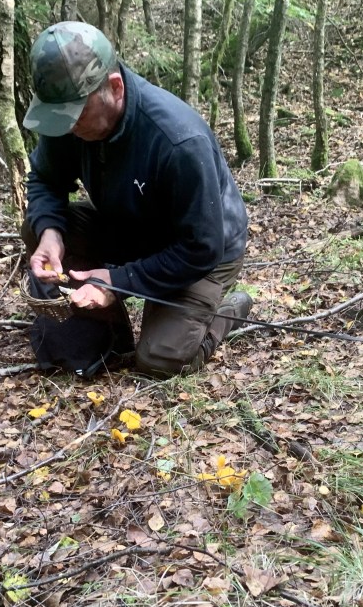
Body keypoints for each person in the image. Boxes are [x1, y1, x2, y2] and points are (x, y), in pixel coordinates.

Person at [21, 20, 252, 377]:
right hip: (129, 227)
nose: (66, 129)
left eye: (75, 116)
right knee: (38, 227)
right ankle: (112, 338)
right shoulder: (69, 116)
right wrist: (50, 232)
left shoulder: (177, 141)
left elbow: (201, 247)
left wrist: (117, 282)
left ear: (114, 88)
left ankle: (226, 313)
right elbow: (45, 179)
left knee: (161, 359)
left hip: (201, 250)